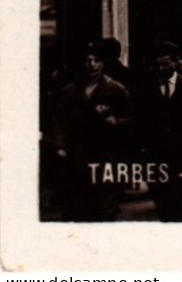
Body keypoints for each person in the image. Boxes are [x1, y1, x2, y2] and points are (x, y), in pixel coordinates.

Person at [50, 42, 133, 220]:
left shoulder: (115, 89)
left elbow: (132, 119)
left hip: (106, 155)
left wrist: (116, 122)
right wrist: (60, 146)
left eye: (97, 60)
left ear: (103, 64)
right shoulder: (69, 91)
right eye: (88, 60)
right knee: (76, 205)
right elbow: (59, 120)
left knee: (103, 206)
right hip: (76, 154)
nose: (92, 65)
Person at [137, 40, 182, 222]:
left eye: (166, 64)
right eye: (158, 65)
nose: (161, 69)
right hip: (156, 156)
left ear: (176, 62)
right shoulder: (145, 90)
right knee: (162, 201)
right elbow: (141, 122)